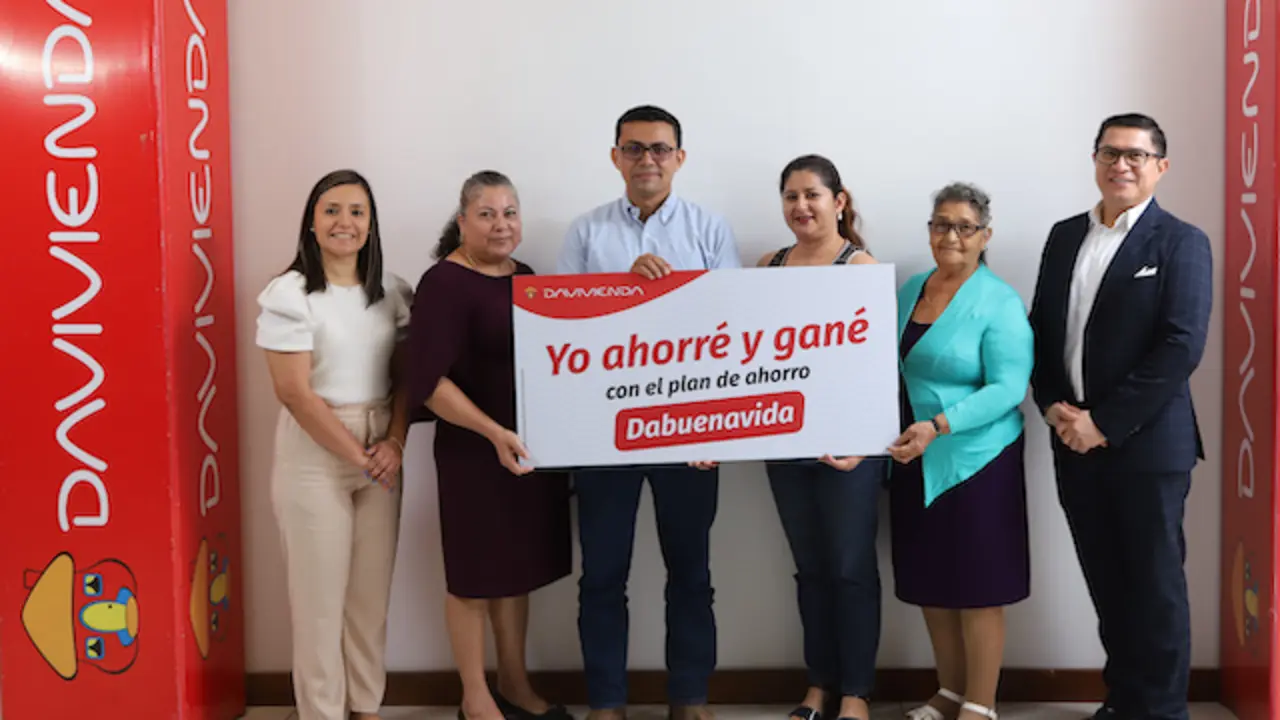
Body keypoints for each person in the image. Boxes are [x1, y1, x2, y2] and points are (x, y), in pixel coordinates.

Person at [556, 104, 741, 720]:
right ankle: (606, 702)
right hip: (605, 435)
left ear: (679, 159)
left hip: (690, 434)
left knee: (691, 572)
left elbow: (732, 328)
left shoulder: (710, 230)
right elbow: (567, 335)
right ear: (615, 157)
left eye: (660, 149)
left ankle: (689, 696)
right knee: (602, 575)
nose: (647, 161)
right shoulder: (586, 234)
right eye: (634, 149)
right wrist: (623, 288)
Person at [1029, 113, 1212, 720]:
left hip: (1147, 449)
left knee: (1154, 590)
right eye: (1110, 152)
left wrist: (1102, 422)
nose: (1122, 164)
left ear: (1160, 166)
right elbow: (1042, 334)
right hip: (1072, 445)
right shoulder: (1062, 237)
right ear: (1095, 160)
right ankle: (1127, 701)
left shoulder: (1182, 242)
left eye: (1137, 155)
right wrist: (1054, 406)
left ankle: (1161, 712)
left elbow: (1181, 347)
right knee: (1108, 586)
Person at [406, 170, 573, 720]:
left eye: (509, 213)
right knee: (474, 577)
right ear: (462, 222)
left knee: (515, 571)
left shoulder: (525, 276)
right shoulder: (444, 283)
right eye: (486, 214)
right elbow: (429, 383)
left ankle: (516, 684)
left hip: (523, 450)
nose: (500, 225)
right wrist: (491, 432)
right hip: (474, 452)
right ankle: (475, 697)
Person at [256, 169, 411, 720]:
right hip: (318, 454)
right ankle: (321, 713)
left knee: (368, 606)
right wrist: (362, 456)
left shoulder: (392, 292)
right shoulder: (290, 293)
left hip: (381, 452)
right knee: (319, 608)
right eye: (331, 210)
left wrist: (393, 442)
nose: (344, 222)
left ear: (370, 226)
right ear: (312, 222)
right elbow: (294, 393)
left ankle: (366, 709)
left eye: (357, 212)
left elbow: (406, 378)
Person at [888, 183, 1032, 720]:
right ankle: (948, 691)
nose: (950, 235)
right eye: (940, 224)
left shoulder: (998, 300)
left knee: (977, 584)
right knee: (931, 579)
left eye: (964, 227)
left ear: (984, 236)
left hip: (977, 460)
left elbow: (1008, 388)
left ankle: (980, 702)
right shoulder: (910, 290)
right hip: (915, 458)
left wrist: (939, 425)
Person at [753, 155, 886, 720]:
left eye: (812, 194)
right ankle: (818, 686)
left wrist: (868, 441)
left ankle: (856, 691)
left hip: (849, 451)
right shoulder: (767, 266)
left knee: (851, 568)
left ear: (840, 200)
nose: (800, 207)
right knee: (809, 569)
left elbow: (878, 368)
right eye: (790, 196)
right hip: (786, 448)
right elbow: (747, 357)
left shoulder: (861, 267)